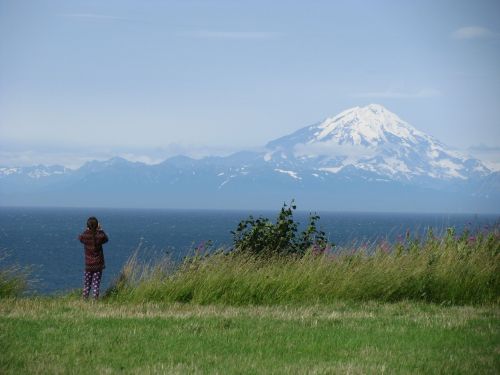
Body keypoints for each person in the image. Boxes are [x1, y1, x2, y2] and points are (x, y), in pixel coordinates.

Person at [79, 216, 109, 300]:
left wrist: (88, 229)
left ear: (87, 226)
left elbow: (80, 237)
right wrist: (100, 229)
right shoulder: (99, 235)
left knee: (87, 284)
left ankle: (84, 299)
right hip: (98, 265)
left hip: (88, 265)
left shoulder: (85, 235)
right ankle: (94, 301)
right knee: (96, 284)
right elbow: (106, 239)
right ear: (97, 225)